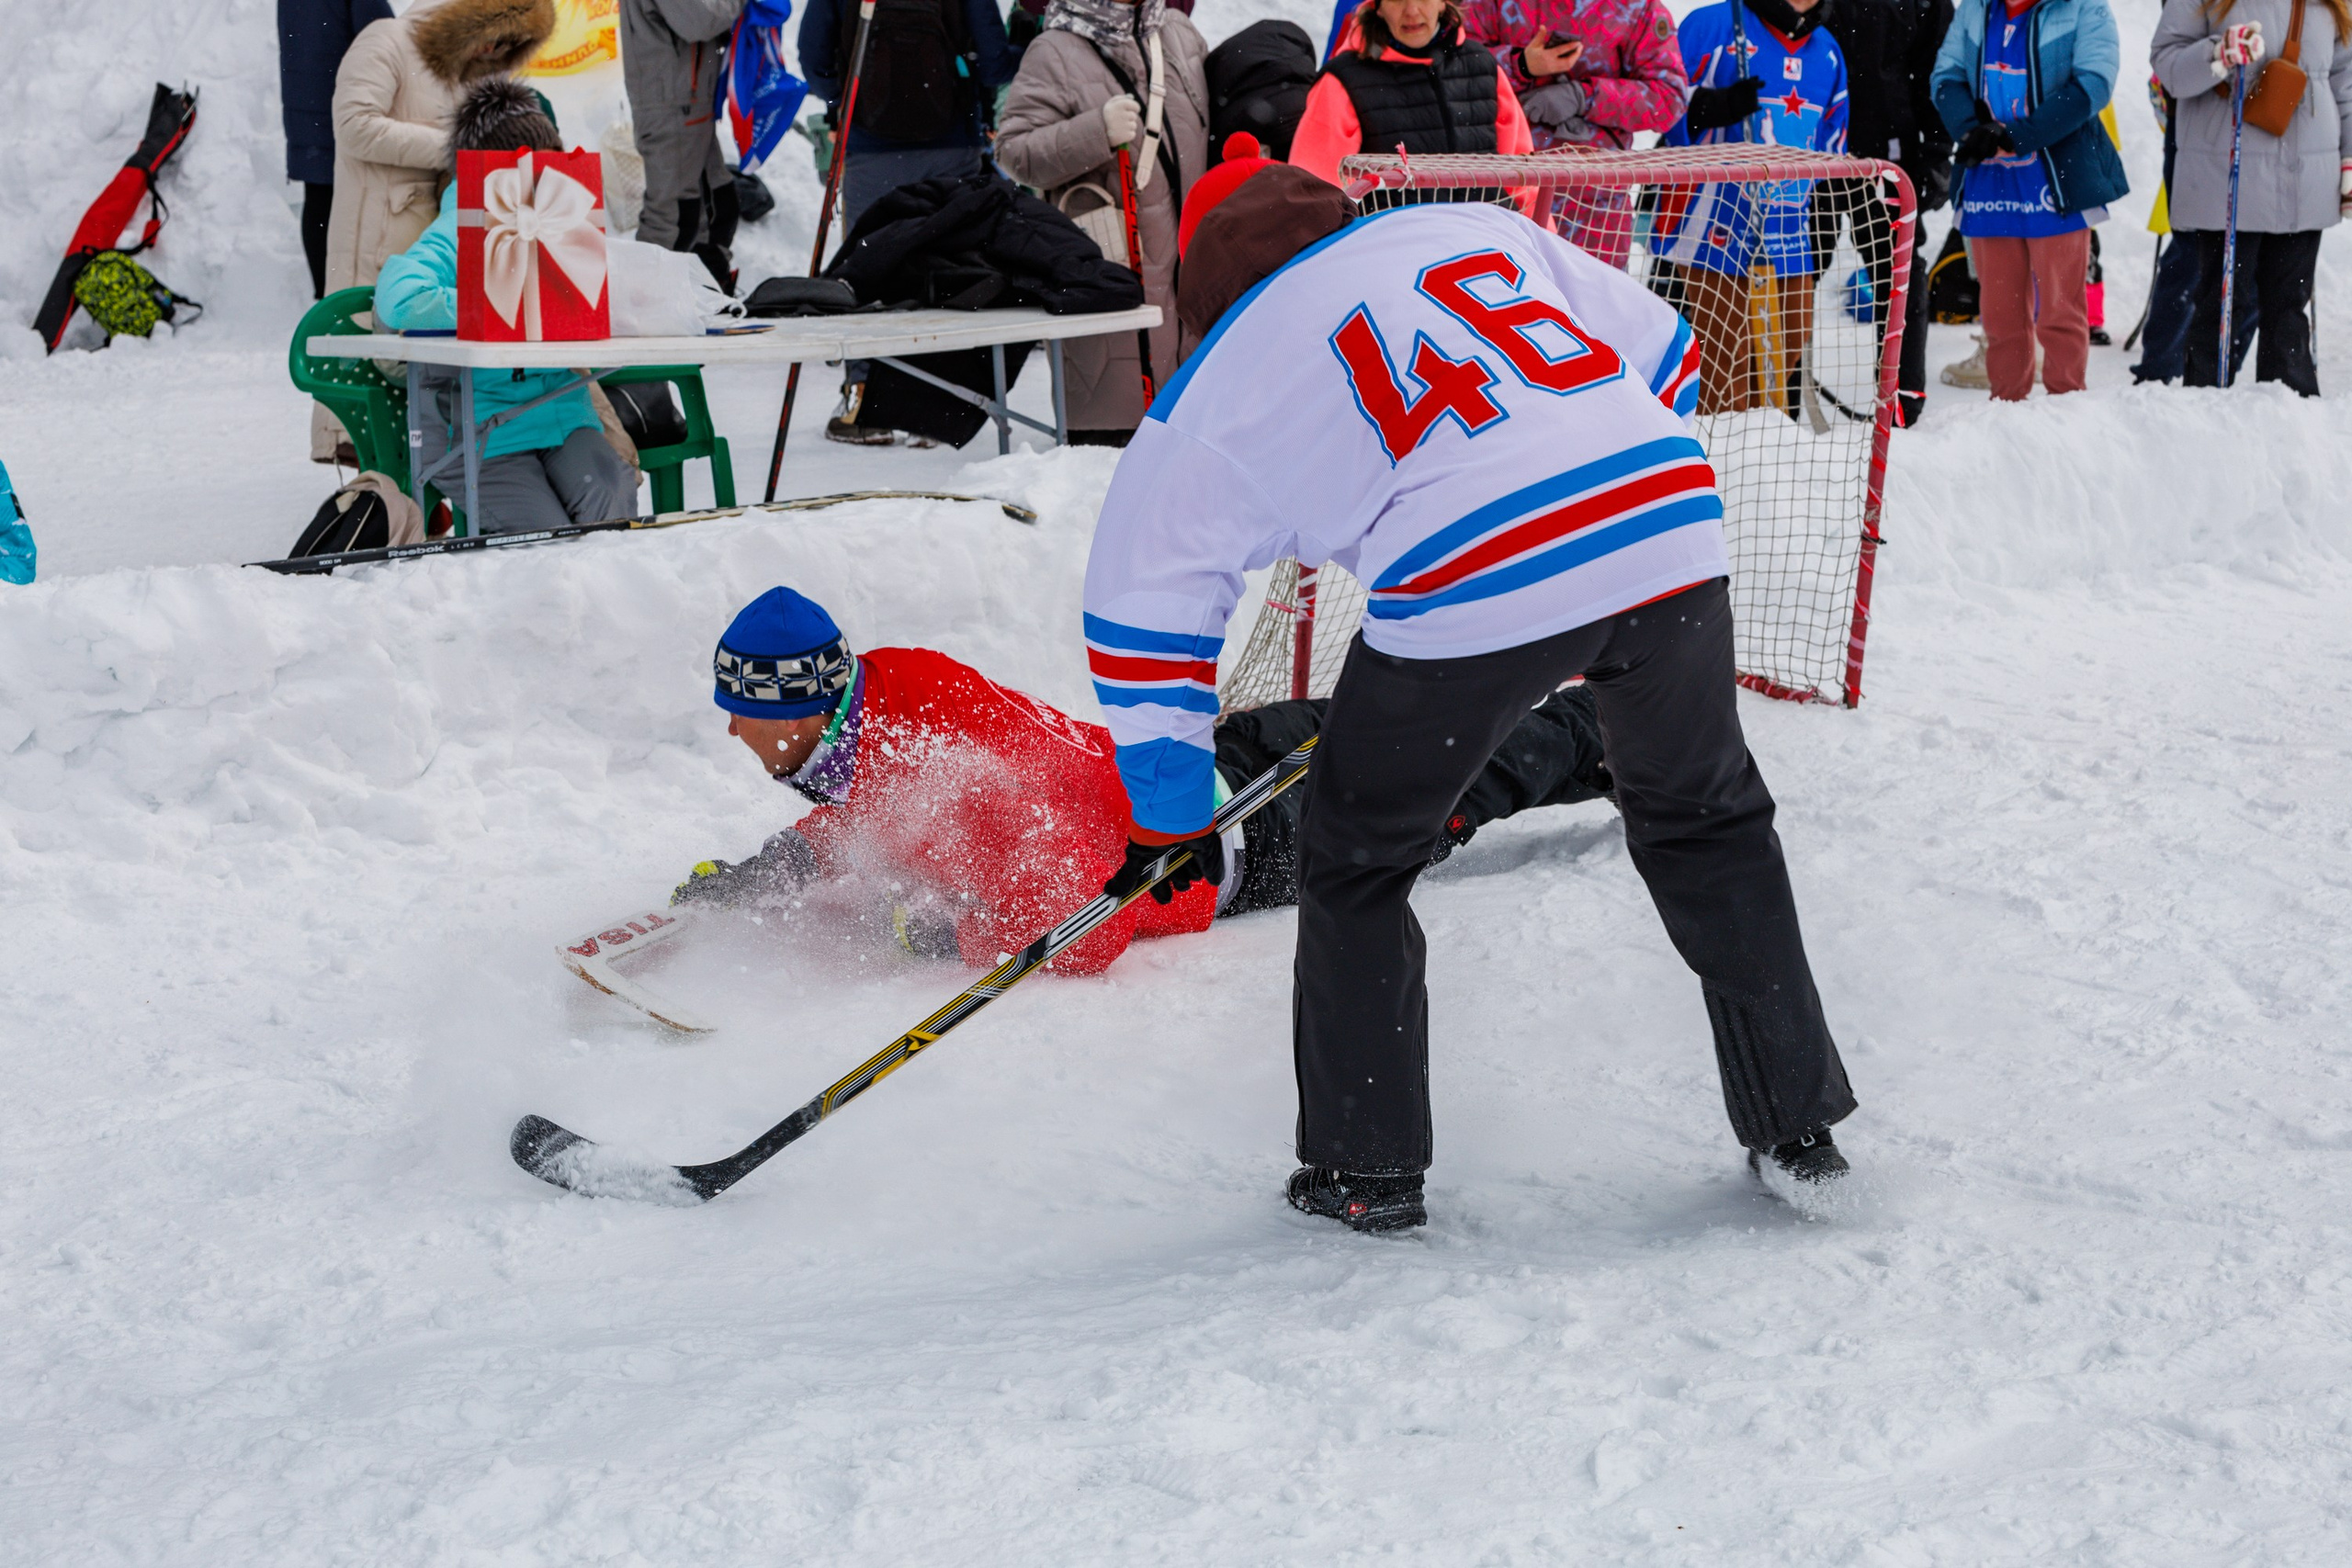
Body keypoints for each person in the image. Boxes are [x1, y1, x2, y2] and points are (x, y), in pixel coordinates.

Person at [1082, 161, 1856, 1233]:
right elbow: (1666, 356)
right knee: (1706, 815)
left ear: (1211, 296)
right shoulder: (1467, 229)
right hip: (1665, 518)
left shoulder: (1222, 375)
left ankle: (1368, 1170)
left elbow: (1143, 611)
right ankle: (1797, 1124)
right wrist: (1593, 547)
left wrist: (1166, 811)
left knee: (1355, 860)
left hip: (1473, 576)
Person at [673, 586, 1617, 976]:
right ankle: (1572, 681)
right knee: (1436, 715)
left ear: (798, 708)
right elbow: (880, 817)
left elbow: (1089, 916)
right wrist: (775, 871)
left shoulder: (931, 759)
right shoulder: (886, 703)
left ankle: (1626, 723)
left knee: (1494, 763)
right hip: (1214, 761)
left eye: (742, 708)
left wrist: (940, 934)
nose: (730, 726)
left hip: (1263, 829)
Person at [372, 81, 637, 536]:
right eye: (544, 163)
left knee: (612, 500)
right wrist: (498, 304)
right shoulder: (459, 230)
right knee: (545, 540)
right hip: (478, 435)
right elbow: (398, 301)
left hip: (564, 418)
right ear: (506, 169)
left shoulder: (562, 223)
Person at [313, 0, 557, 463]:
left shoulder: (478, 73)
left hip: (436, 241)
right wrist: (459, 151)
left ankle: (424, 506)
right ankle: (377, 512)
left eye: (510, 43)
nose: (496, 49)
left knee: (427, 410)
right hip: (378, 240)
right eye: (495, 34)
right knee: (367, 414)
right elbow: (353, 126)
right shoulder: (385, 39)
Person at [800, 0, 1021, 444]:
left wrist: (848, 95)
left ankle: (863, 403)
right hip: (952, 141)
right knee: (950, 270)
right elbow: (995, 63)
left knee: (866, 272)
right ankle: (942, 405)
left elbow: (813, 55)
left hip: (867, 142)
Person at [996, 0, 1209, 443]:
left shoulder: (1178, 35)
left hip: (1189, 303)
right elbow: (1014, 152)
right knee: (1106, 483)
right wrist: (1096, 132)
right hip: (1113, 291)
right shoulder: (1054, 50)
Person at [2152, 0, 2352, 396]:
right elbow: (2168, 66)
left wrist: (2350, 157)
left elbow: (2345, 81)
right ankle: (2204, 422)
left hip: (2305, 178)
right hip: (2226, 177)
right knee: (2221, 311)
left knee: (2289, 312)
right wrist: (2216, 53)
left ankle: (2291, 426)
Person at [1660, 0, 1850, 416]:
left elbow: (1832, 145)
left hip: (1788, 233)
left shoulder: (1828, 49)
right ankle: (1714, 467)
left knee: (1784, 358)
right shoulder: (1710, 27)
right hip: (1712, 227)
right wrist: (1708, 109)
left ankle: (1770, 469)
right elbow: (1660, 106)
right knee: (1724, 364)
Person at [1930, 0, 2127, 402]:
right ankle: (2007, 413)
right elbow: (1946, 76)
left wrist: (2019, 135)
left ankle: (2068, 409)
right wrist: (1972, 130)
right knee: (2001, 317)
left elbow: (2093, 82)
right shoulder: (1976, 9)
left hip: (2057, 178)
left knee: (2060, 313)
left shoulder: (2084, 8)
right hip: (1989, 178)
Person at [1458, 0, 1689, 267]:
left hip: (1595, 210)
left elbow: (1668, 98)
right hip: (1501, 196)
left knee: (1593, 306)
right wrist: (1521, 65)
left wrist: (1585, 98)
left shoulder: (1638, 8)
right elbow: (1453, 65)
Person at [1822, 0, 1954, 425]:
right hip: (1812, 145)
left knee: (1896, 270)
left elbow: (1939, 71)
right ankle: (1779, 394)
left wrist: (1935, 155)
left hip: (1889, 151)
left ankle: (1901, 396)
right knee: (1793, 268)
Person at [1289, 0, 1537, 216]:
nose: (1412, 11)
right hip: (1396, 249)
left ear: (1444, 2)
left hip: (1489, 242)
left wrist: (1543, 244)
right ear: (1378, 7)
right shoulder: (1344, 78)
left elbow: (1522, 178)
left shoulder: (1481, 65)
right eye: (1397, 0)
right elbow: (1316, 191)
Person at [619, 0, 748, 289]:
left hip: (688, 101)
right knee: (674, 218)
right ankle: (645, 300)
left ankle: (704, 292)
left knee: (716, 207)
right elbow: (699, 20)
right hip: (672, 104)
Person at [277, 0, 394, 300]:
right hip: (344, 102)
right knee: (346, 204)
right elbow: (383, 35)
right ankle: (345, 297)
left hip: (307, 101)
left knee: (318, 196)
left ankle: (325, 296)